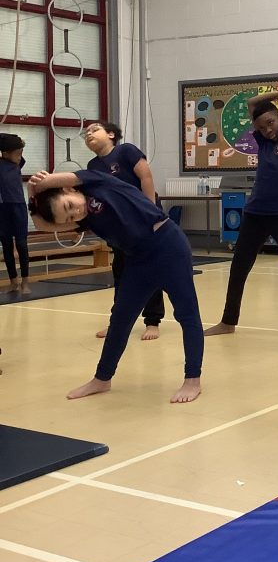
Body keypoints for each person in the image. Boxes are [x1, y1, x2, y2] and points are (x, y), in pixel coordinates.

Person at [28, 169, 204, 403]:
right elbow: (44, 225)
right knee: (120, 319)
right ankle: (102, 378)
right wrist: (32, 196)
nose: (75, 213)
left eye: (70, 206)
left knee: (186, 313)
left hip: (167, 245)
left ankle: (192, 380)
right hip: (138, 259)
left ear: (69, 190)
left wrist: (38, 184)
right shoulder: (85, 219)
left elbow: (56, 180)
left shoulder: (97, 182)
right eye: (69, 218)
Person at [205, 88, 278, 336]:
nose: (267, 130)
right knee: (239, 268)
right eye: (261, 127)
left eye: (270, 123)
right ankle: (228, 322)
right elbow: (251, 102)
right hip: (255, 215)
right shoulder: (264, 142)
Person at [84, 121, 164, 340]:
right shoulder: (93, 166)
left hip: (145, 220)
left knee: (149, 271)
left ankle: (152, 321)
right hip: (121, 227)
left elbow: (146, 177)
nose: (89, 134)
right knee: (121, 274)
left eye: (94, 129)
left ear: (111, 134)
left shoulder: (126, 151)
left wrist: (150, 212)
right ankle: (118, 323)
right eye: (86, 133)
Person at [0, 133, 30, 295]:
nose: (20, 157)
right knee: (6, 245)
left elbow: (13, 143)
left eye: (21, 153)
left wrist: (18, 141)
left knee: (21, 244)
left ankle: (25, 281)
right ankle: (13, 281)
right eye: (17, 153)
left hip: (18, 207)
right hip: (2, 208)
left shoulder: (18, 163)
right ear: (5, 153)